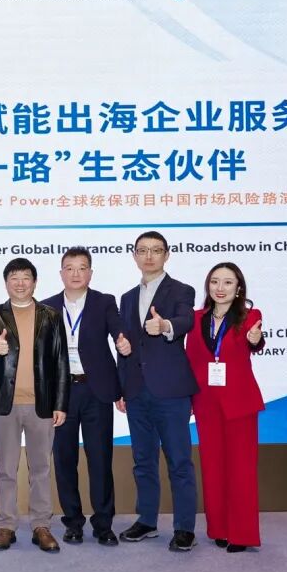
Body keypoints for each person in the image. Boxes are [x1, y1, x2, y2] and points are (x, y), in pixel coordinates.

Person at [42, 247, 131, 547]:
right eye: (70, 268)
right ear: (61, 273)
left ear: (90, 273)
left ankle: (103, 524)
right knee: (64, 459)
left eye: (82, 268)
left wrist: (123, 343)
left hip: (97, 391)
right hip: (61, 393)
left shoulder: (104, 302)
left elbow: (118, 332)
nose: (76, 273)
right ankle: (73, 522)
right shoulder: (47, 306)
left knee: (100, 459)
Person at [117, 231, 200, 552]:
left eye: (156, 250)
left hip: (171, 392)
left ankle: (184, 528)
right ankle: (147, 521)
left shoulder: (181, 290)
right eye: (143, 250)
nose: (149, 256)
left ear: (167, 254)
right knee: (143, 460)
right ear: (134, 255)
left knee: (179, 461)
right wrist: (122, 388)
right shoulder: (126, 297)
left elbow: (185, 321)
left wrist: (165, 326)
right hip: (137, 392)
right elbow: (125, 346)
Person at [0, 258, 69, 553]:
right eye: (14, 278)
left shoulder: (51, 315)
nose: (20, 283)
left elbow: (60, 360)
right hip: (4, 404)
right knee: (5, 469)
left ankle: (41, 525)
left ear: (34, 282)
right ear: (6, 282)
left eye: (26, 277)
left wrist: (60, 403)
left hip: (41, 404)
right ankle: (6, 525)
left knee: (41, 467)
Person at [184, 262, 265, 553]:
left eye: (228, 282)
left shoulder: (250, 316)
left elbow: (255, 340)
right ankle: (219, 528)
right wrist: (189, 399)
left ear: (238, 288)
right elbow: (191, 359)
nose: (220, 288)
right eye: (215, 281)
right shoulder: (195, 319)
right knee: (212, 467)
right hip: (206, 403)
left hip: (239, 403)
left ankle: (241, 534)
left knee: (241, 470)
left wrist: (255, 339)